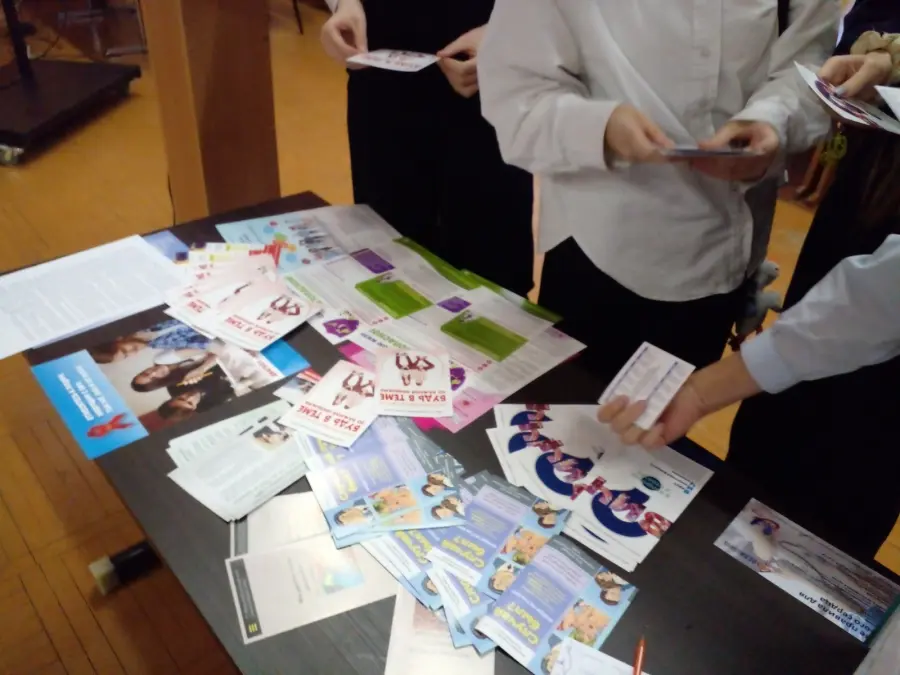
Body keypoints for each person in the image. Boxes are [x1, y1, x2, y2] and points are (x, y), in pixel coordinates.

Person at [598, 2, 900, 562]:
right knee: (773, 446)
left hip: (856, 358)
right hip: (866, 203)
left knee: (845, 480)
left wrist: (707, 388)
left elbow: (880, 300)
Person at [476, 0, 837, 379]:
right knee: (568, 401)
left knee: (672, 404)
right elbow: (515, 88)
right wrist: (600, 128)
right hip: (600, 244)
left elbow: (809, 63)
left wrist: (773, 120)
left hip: (725, 250)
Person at [319, 0, 534, 296]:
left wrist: (514, 30)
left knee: (491, 274)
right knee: (390, 262)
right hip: (381, 76)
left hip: (487, 80)